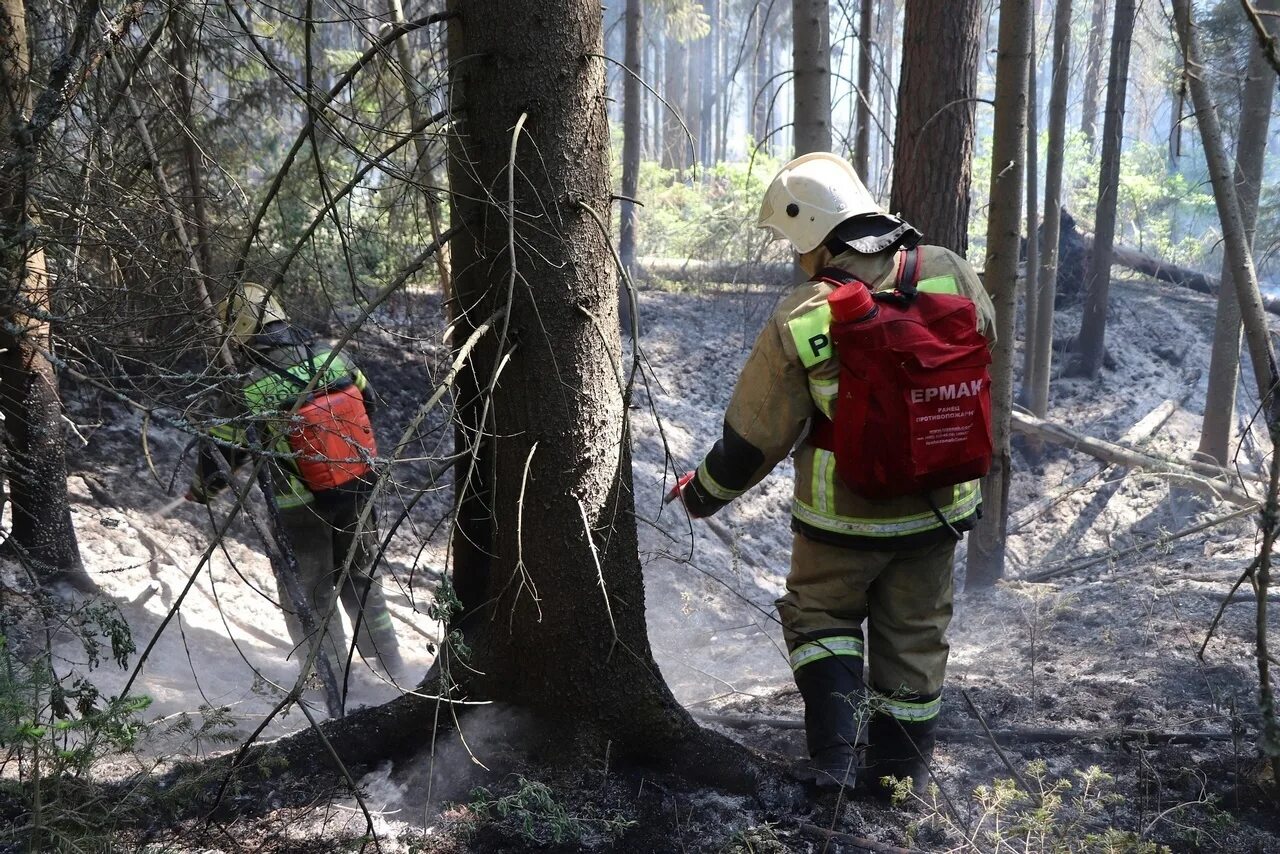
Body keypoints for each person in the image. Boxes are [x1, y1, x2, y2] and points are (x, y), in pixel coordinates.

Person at [666, 153, 995, 797]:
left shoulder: (806, 314)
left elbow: (754, 437)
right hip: (939, 505)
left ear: (811, 238)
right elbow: (978, 347)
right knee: (916, 638)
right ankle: (898, 785)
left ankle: (837, 767)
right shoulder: (950, 270)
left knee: (820, 621)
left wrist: (703, 493)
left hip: (842, 520)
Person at [187, 283, 405, 681]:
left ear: (239, 328)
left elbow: (222, 455)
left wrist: (202, 492)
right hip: (357, 487)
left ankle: (335, 685)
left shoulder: (247, 385)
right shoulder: (331, 355)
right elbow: (368, 403)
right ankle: (393, 668)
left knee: (310, 594)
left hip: (298, 507)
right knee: (361, 579)